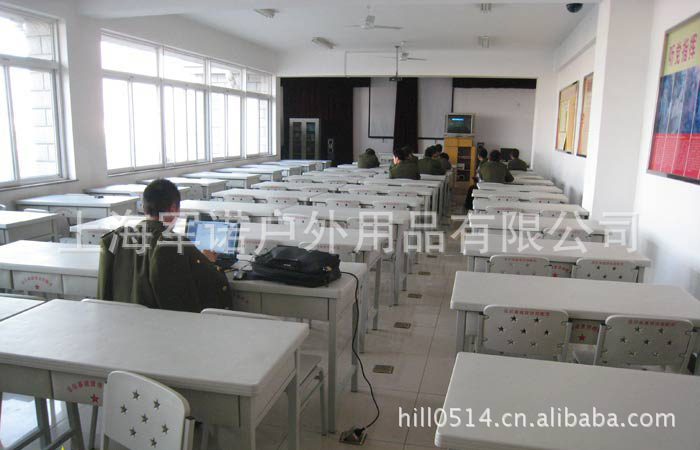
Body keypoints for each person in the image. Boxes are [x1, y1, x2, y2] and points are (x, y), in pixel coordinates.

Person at [97, 179, 230, 312]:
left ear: (144, 208)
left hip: (122, 321)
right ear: (173, 209)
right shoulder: (175, 244)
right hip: (163, 323)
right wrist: (209, 261)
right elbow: (216, 282)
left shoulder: (117, 239)